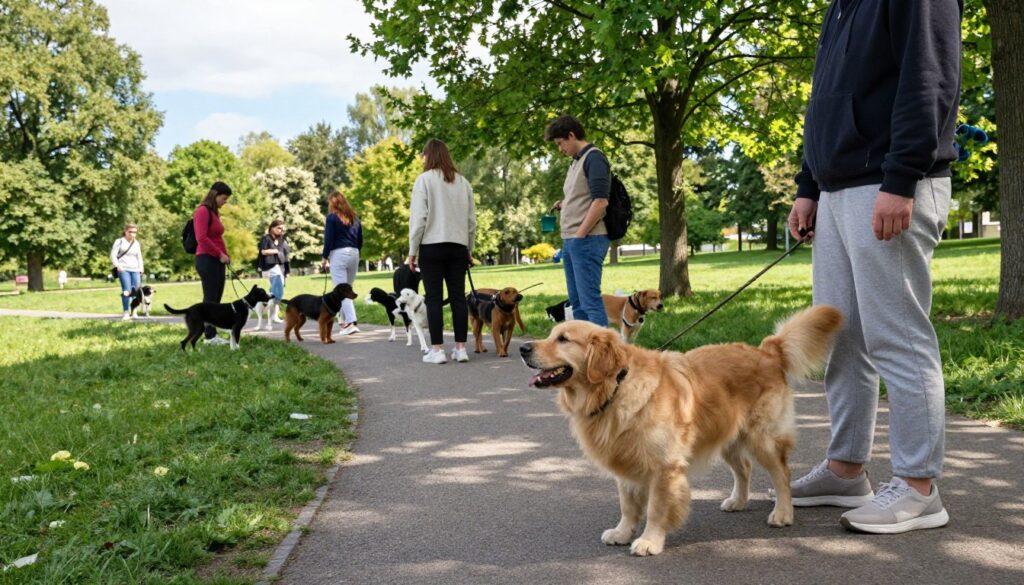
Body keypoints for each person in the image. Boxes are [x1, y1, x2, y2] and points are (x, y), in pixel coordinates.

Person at [786, 0, 962, 534]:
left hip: (888, 183)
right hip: (838, 187)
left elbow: (929, 75)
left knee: (897, 336)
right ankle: (845, 469)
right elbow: (823, 103)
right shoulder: (840, 6)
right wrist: (807, 186)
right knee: (841, 337)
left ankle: (918, 486)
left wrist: (902, 176)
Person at [408, 138, 477, 364]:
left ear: (429, 156)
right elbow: (471, 222)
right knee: (458, 298)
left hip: (432, 246)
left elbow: (419, 219)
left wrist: (412, 251)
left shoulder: (424, 180)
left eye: (423, 155)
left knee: (434, 299)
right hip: (458, 246)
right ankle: (460, 348)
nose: (422, 159)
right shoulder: (463, 182)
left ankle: (437, 350)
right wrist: (469, 248)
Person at [544, 115, 609, 326]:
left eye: (560, 143)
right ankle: (584, 355)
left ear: (571, 135)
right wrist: (566, 204)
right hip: (572, 240)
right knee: (577, 303)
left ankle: (606, 356)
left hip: (587, 239)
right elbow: (584, 197)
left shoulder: (594, 158)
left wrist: (580, 235)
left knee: (590, 302)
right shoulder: (576, 161)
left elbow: (600, 201)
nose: (560, 149)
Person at [193, 181, 233, 345]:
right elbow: (201, 238)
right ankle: (209, 336)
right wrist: (219, 254)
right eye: (223, 198)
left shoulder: (214, 213)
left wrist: (226, 255)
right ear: (215, 195)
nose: (225, 202)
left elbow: (217, 237)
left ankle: (212, 333)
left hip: (217, 259)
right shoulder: (202, 211)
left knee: (216, 299)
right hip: (206, 258)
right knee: (210, 299)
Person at [321, 191, 363, 336]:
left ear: (332, 203)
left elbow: (329, 239)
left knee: (342, 291)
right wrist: (356, 252)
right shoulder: (355, 218)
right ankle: (344, 322)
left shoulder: (332, 218)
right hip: (354, 253)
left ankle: (351, 323)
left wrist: (324, 257)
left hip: (339, 254)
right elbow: (360, 240)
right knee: (347, 288)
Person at [258, 219, 290, 326]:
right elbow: (263, 251)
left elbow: (285, 255)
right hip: (271, 267)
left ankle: (265, 308)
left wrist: (287, 270)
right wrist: (275, 251)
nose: (281, 230)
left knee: (273, 291)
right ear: (272, 228)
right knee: (278, 291)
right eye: (279, 228)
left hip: (279, 267)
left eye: (282, 228)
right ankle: (273, 315)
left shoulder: (281, 239)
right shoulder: (266, 238)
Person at [110, 223, 144, 320]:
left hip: (135, 269)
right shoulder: (119, 241)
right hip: (124, 269)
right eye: (130, 232)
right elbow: (113, 255)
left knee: (136, 292)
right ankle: (126, 312)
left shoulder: (136, 243)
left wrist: (141, 268)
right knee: (126, 291)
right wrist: (118, 266)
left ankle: (134, 312)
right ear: (126, 231)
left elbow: (139, 257)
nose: (133, 234)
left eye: (135, 232)